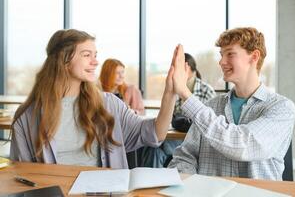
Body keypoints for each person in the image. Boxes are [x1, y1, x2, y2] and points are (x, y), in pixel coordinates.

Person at [10, 29, 177, 169]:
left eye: (95, 55)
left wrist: (170, 94)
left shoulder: (109, 104)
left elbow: (155, 133)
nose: (96, 61)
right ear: (64, 60)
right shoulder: (26, 117)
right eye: (86, 55)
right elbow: (21, 176)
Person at [168, 27, 295, 180]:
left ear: (254, 56)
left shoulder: (282, 108)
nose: (221, 62)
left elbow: (241, 145)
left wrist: (185, 94)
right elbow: (184, 157)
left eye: (230, 54)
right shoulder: (211, 107)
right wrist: (195, 186)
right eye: (221, 55)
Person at [141, 53, 216, 168]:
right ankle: (150, 183)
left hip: (194, 140)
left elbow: (213, 124)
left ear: (187, 67)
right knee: (154, 149)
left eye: (176, 68)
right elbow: (171, 116)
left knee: (154, 146)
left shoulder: (206, 90)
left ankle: (147, 182)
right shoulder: (175, 89)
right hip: (177, 137)